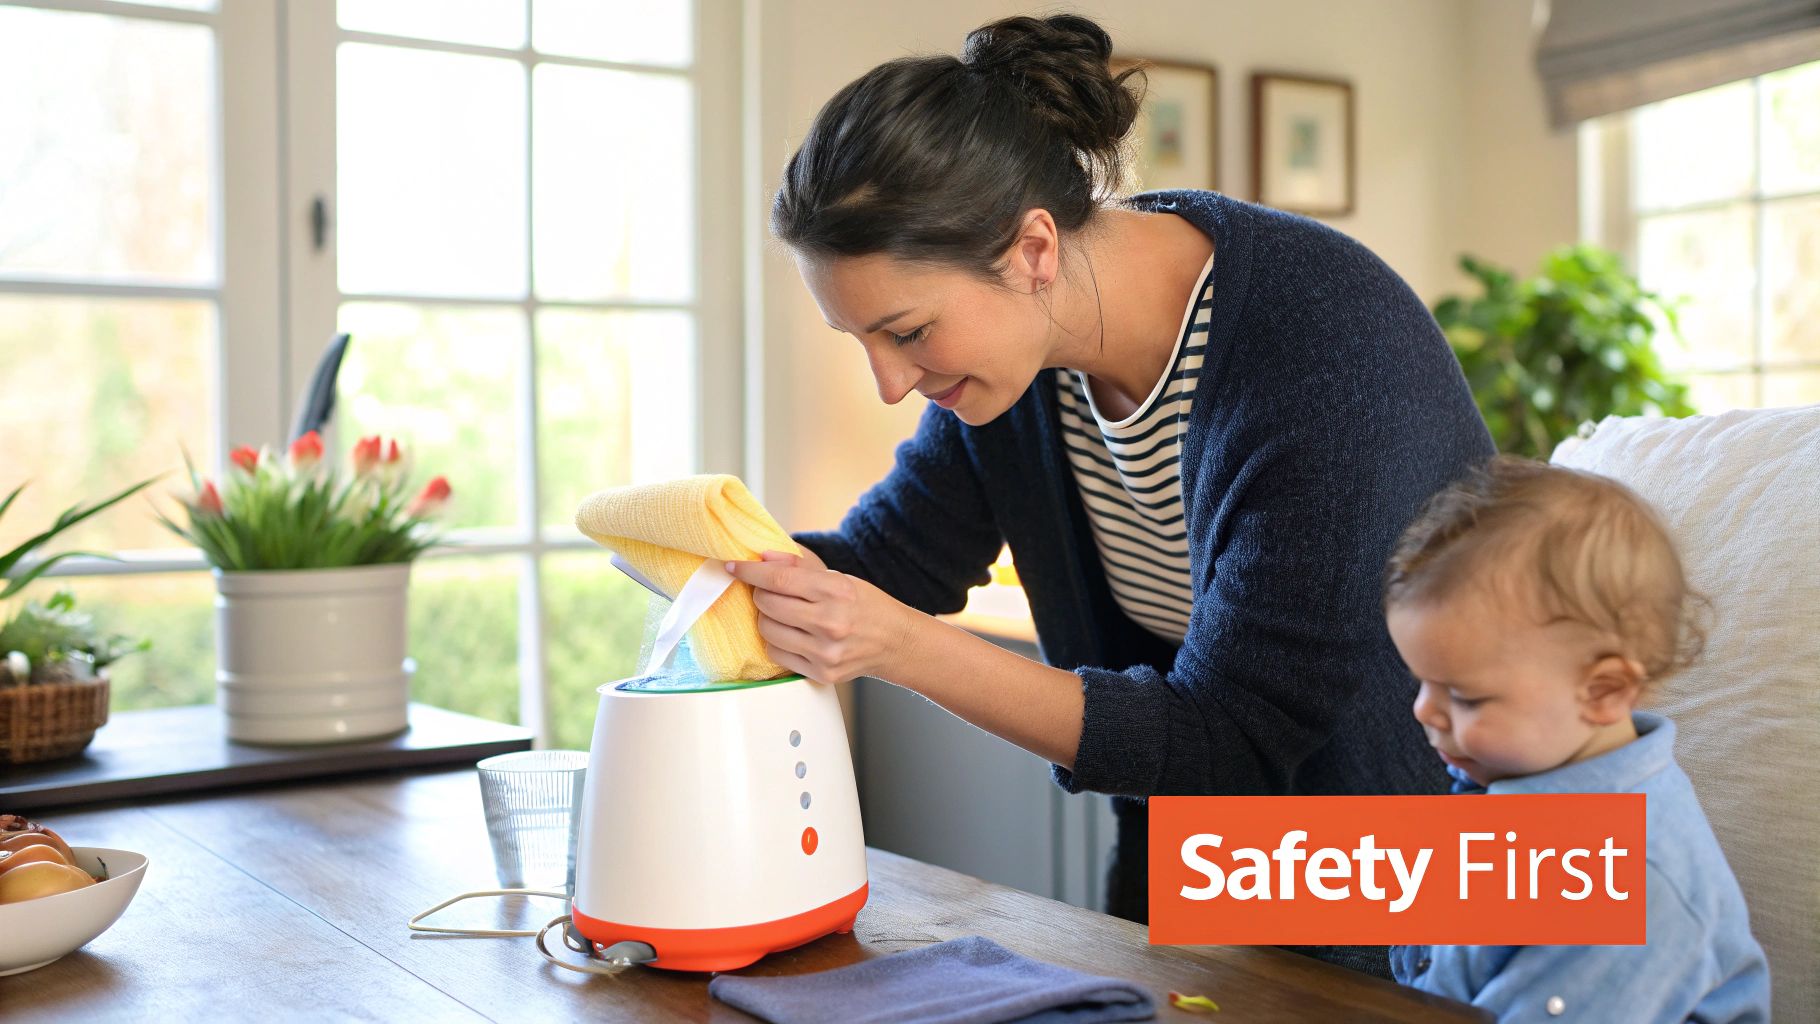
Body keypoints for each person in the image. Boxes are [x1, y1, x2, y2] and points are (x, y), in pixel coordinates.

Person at [722, 13, 1493, 977]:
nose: (890, 381)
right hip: (1206, 878)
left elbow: (1231, 744)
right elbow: (890, 561)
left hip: (1424, 900)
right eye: (863, 341)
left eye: (908, 331)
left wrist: (901, 647)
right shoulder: (1019, 364)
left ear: (1032, 248)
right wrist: (712, 560)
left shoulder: (1322, 351)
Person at [1383, 456, 1770, 1021]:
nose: (1425, 711)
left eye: (1465, 697)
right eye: (1422, 681)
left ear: (1605, 691)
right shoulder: (1510, 768)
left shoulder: (1628, 884)